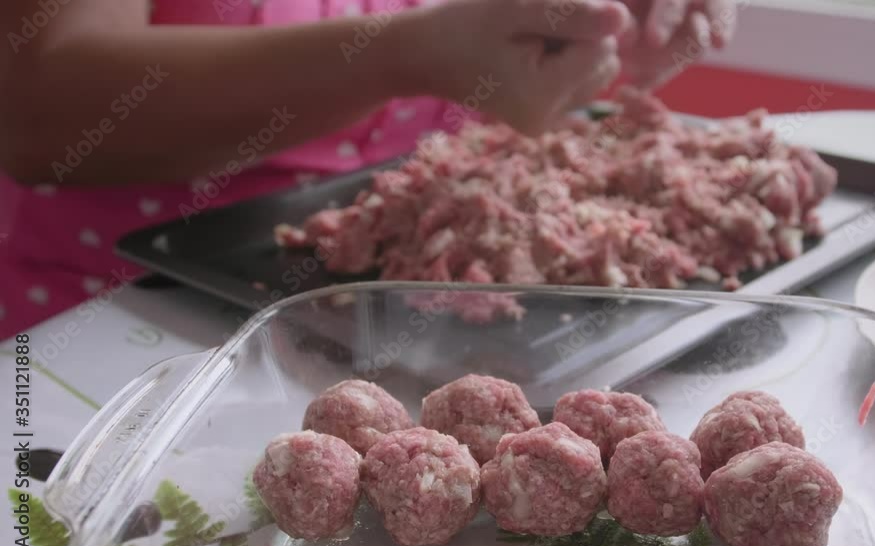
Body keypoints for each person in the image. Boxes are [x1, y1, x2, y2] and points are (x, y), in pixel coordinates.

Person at [0, 0, 734, 339]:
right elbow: (35, 108)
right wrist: (400, 55)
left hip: (431, 322)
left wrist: (597, 28)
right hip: (125, 321)